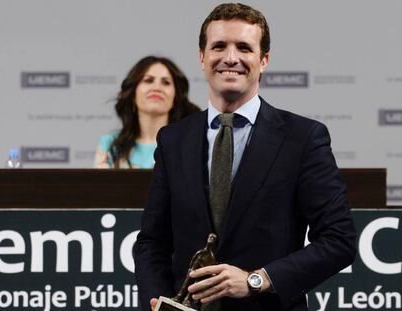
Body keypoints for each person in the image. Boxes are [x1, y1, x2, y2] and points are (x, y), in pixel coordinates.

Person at [133, 3, 356, 311]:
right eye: (219, 46)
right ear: (202, 57)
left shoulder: (303, 138)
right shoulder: (174, 140)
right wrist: (157, 302)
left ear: (263, 60)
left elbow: (339, 240)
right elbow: (151, 243)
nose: (231, 58)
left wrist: (257, 280)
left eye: (244, 48)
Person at [94, 56, 200, 169]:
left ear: (176, 97)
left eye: (166, 82)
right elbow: (97, 186)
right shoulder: (110, 144)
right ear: (133, 94)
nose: (157, 88)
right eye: (148, 80)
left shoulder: (192, 145)